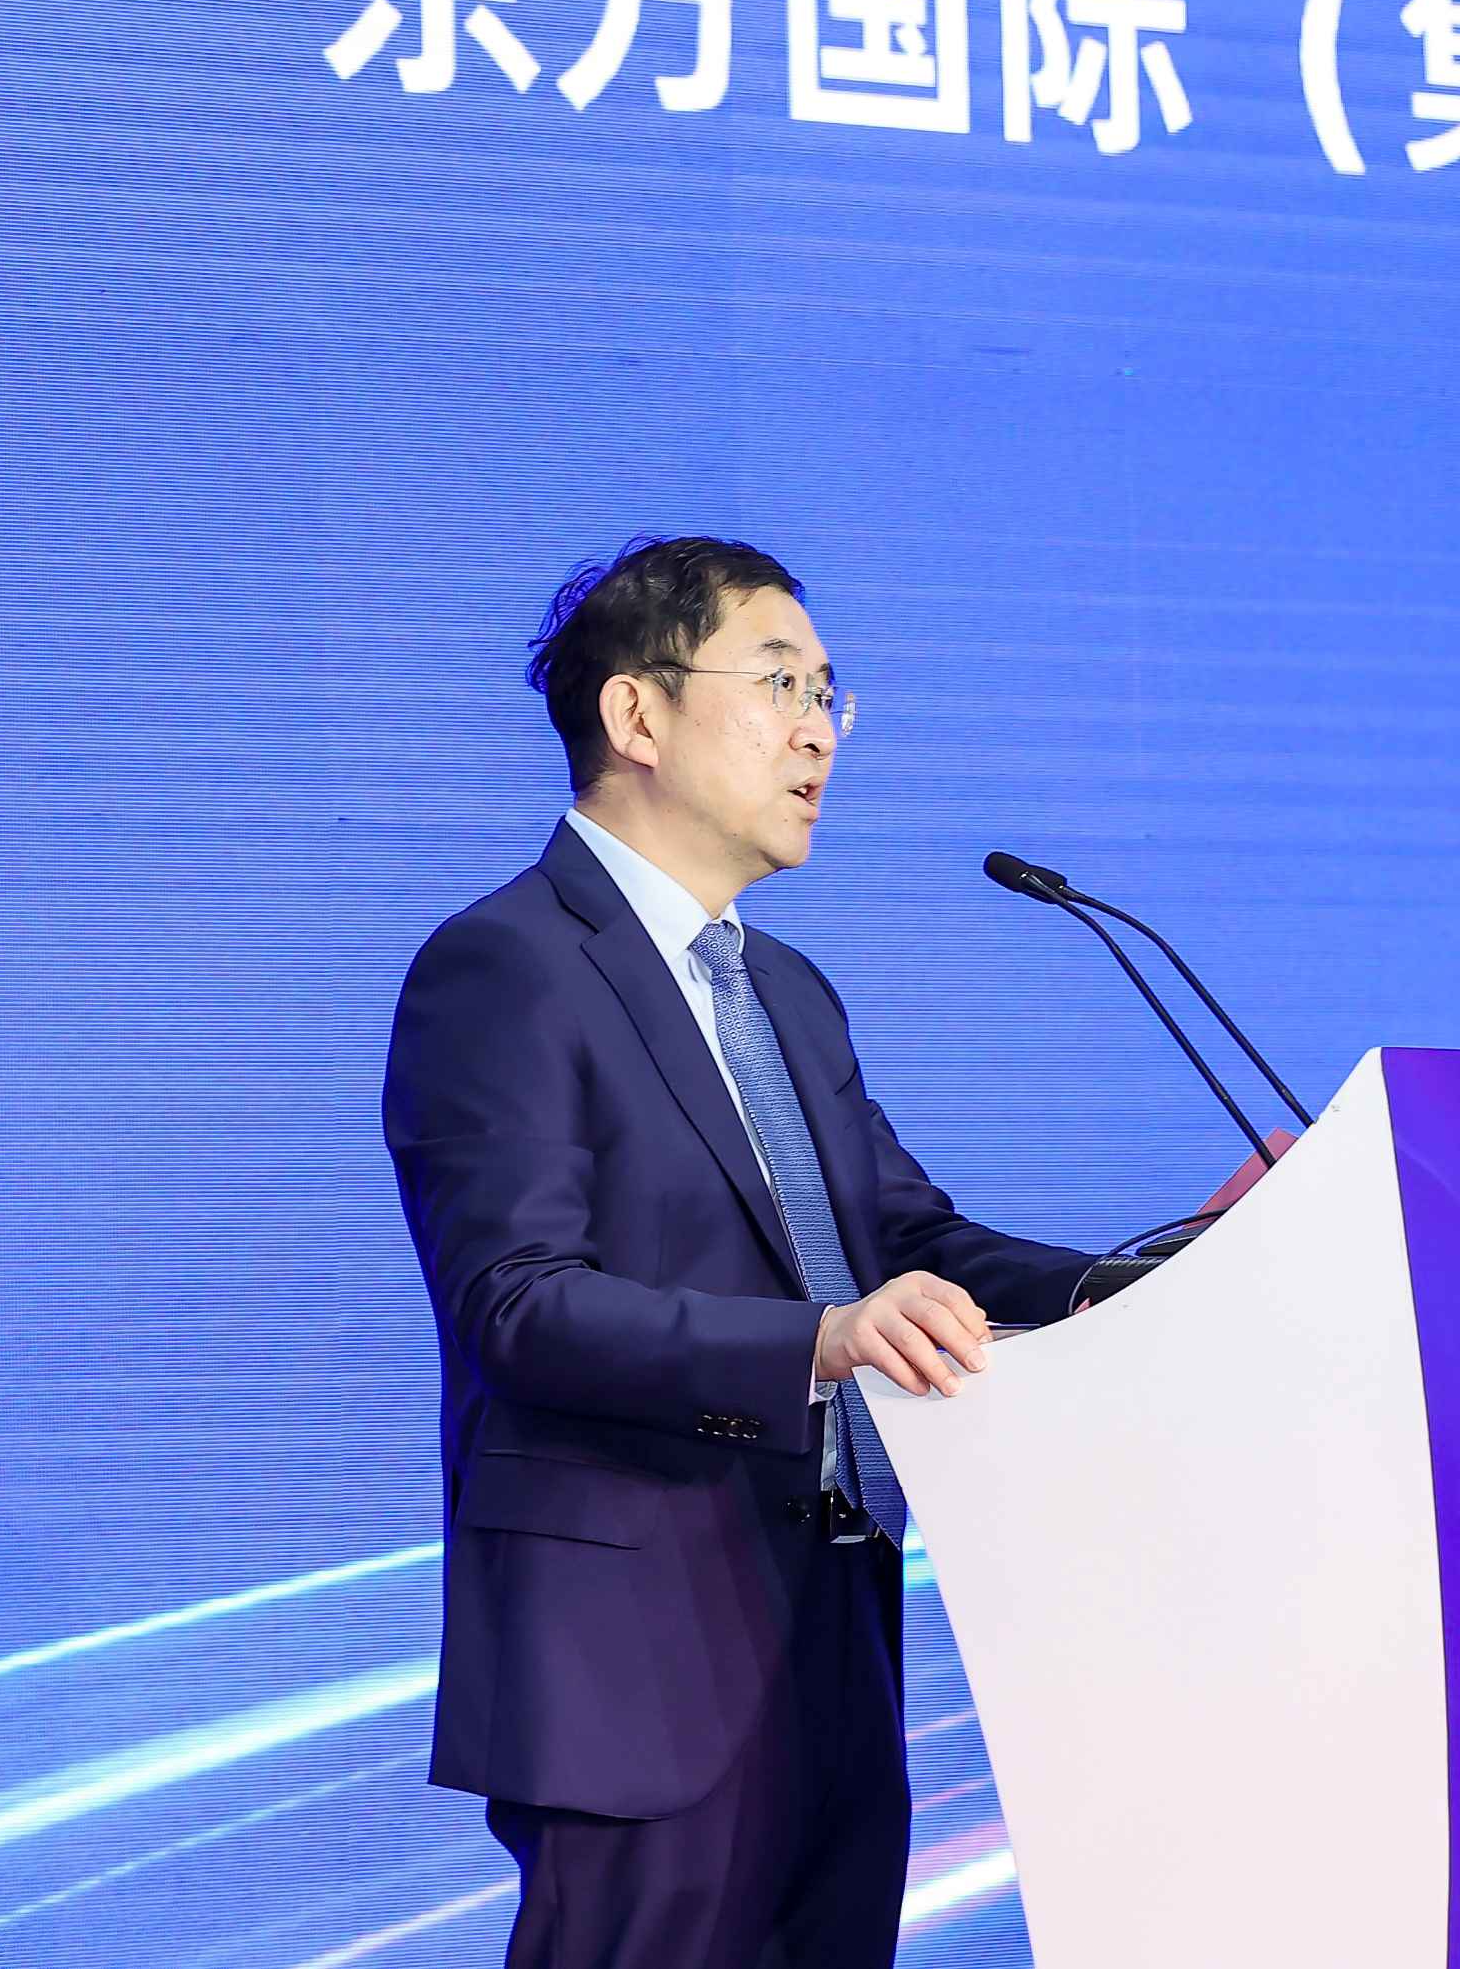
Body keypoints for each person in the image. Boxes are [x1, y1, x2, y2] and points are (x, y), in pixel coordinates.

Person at [384, 535, 1095, 1969]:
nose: (820, 731)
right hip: (634, 1661)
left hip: (833, 1624)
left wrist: (1151, 1278)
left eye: (830, 693)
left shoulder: (788, 991)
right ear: (636, 714)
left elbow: (908, 1239)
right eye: (780, 684)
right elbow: (517, 1305)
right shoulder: (505, 966)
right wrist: (817, 1343)